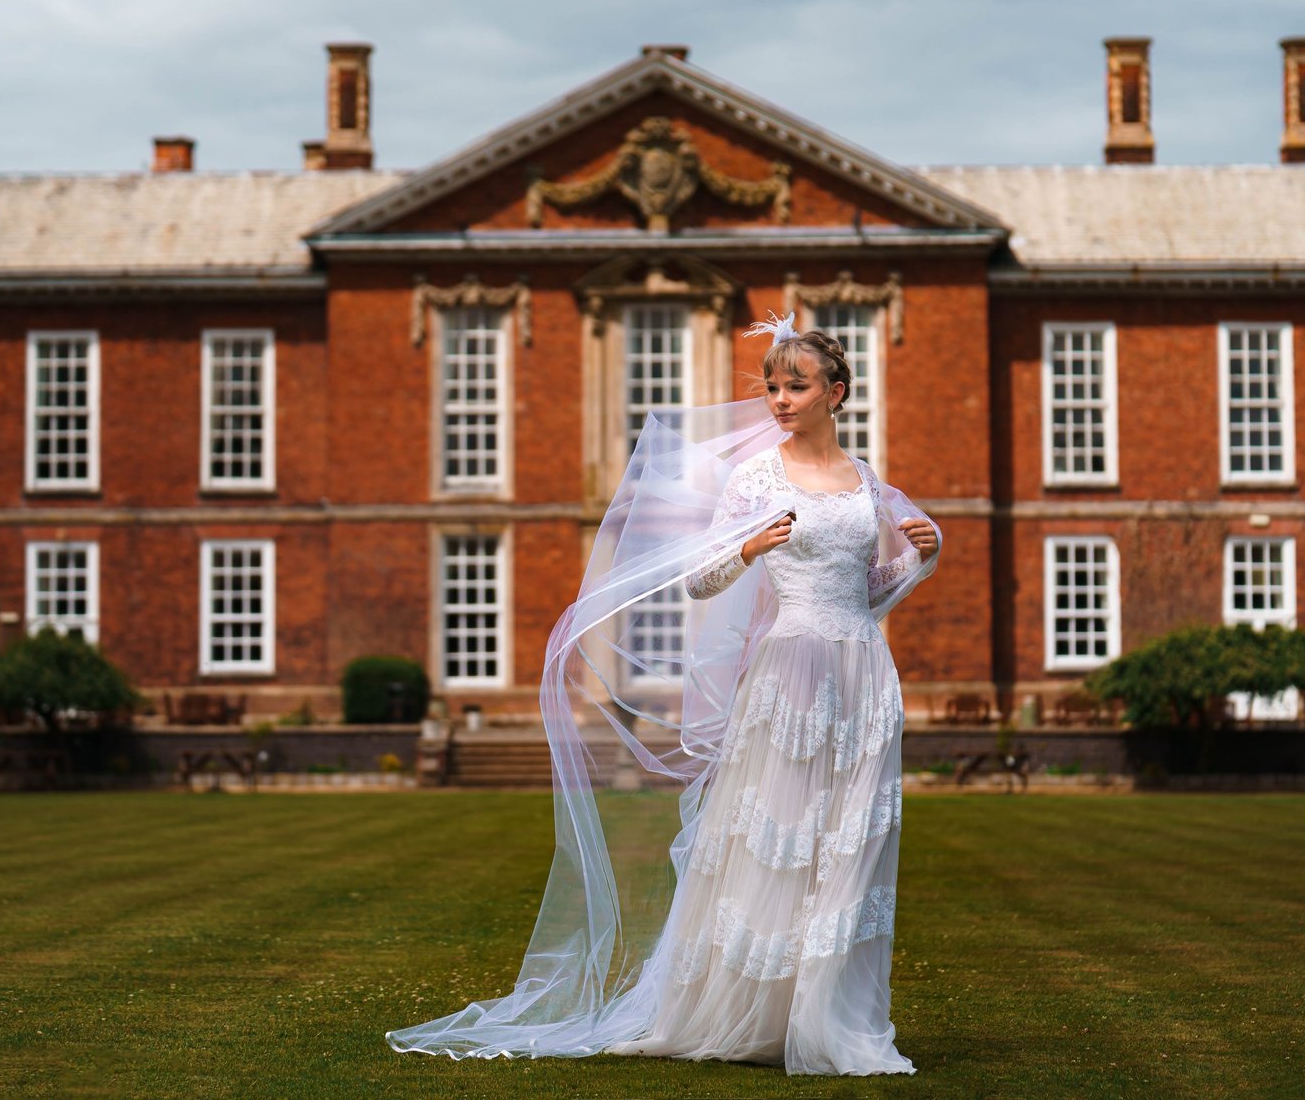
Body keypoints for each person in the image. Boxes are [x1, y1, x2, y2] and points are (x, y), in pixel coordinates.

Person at [388, 312, 941, 1076]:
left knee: (850, 847)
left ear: (835, 393)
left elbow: (864, 592)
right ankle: (754, 1012)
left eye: (796, 386)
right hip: (790, 676)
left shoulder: (866, 483)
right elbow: (700, 577)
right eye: (773, 387)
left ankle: (831, 1018)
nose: (780, 399)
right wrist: (747, 547)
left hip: (864, 675)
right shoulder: (756, 479)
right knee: (777, 843)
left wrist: (919, 560)